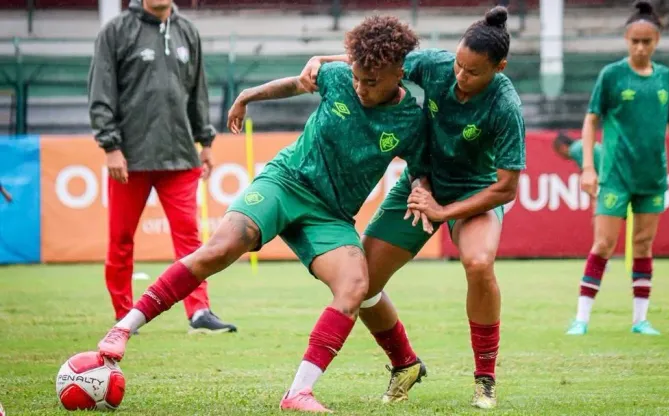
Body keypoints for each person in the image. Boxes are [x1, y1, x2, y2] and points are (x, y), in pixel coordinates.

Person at [96, 15, 428, 413]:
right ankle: (122, 330)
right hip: (285, 183)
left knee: (356, 286)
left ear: (398, 73)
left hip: (331, 215)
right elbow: (296, 83)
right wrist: (248, 95)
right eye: (356, 78)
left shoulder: (412, 119)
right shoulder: (339, 77)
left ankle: (298, 392)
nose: (359, 88)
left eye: (371, 82)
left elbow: (421, 167)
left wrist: (421, 188)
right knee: (221, 248)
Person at [299, 6, 525, 409]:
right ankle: (405, 364)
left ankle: (485, 378)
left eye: (473, 72)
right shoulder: (436, 66)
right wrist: (322, 60)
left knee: (477, 263)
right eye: (458, 64)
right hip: (420, 185)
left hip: (474, 193)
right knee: (362, 281)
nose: (460, 76)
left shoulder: (505, 105)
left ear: (500, 67)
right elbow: (381, 64)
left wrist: (441, 213)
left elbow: (506, 188)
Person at [88, 0, 236, 334]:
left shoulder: (187, 31)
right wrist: (110, 146)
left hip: (181, 156)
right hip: (130, 158)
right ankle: (124, 315)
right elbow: (101, 93)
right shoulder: (115, 31)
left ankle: (199, 312)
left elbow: (198, 92)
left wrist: (206, 141)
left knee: (191, 240)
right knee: (121, 239)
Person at [566, 0, 669, 336]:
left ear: (657, 42)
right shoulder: (611, 75)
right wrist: (588, 168)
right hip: (615, 177)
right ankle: (581, 318)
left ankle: (640, 320)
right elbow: (591, 120)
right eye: (634, 41)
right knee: (603, 246)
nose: (640, 47)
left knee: (642, 245)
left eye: (647, 41)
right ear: (626, 40)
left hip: (652, 178)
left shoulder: (666, 77)